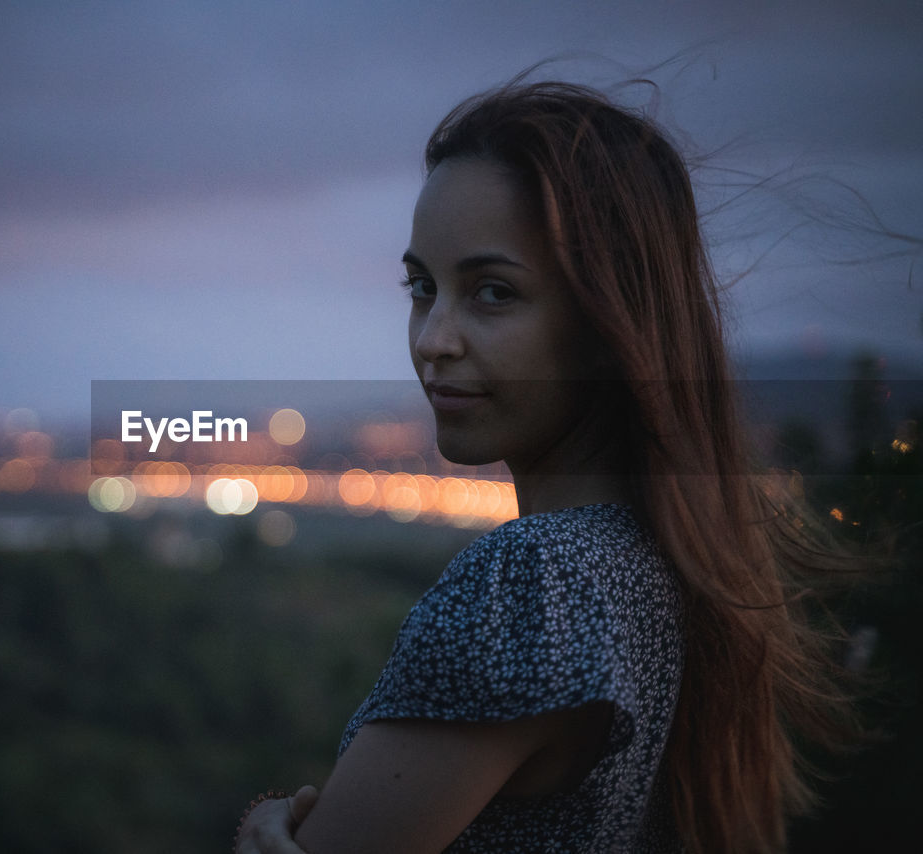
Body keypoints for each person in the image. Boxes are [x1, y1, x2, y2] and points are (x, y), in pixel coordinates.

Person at [234, 79, 854, 853]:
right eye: (423, 287)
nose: (433, 338)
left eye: (492, 292)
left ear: (608, 322)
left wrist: (259, 830)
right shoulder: (666, 560)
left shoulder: (532, 584)